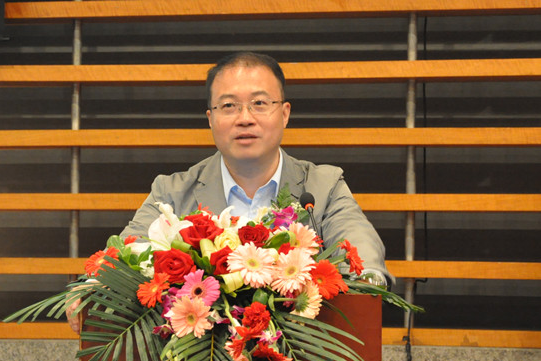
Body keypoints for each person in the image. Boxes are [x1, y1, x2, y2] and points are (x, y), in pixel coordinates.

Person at [67, 51, 391, 333]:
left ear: (285, 114)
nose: (245, 118)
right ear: (211, 119)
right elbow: (128, 249)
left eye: (259, 103)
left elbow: (358, 242)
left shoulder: (322, 187)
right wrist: (95, 287)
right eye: (229, 106)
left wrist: (369, 278)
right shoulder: (173, 193)